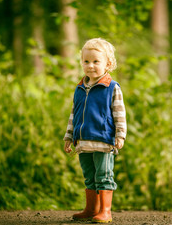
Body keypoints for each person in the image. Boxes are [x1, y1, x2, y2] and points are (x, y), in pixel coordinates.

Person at [63, 38, 127, 223]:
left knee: (104, 176)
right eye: (86, 61)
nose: (90, 66)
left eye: (96, 61)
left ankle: (105, 211)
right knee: (89, 176)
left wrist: (120, 135)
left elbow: (119, 113)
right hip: (83, 142)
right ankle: (92, 209)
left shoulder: (112, 88)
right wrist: (69, 136)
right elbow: (74, 114)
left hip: (103, 141)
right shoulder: (80, 88)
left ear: (108, 63)